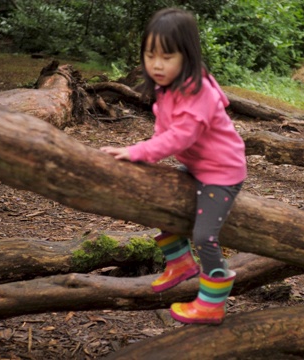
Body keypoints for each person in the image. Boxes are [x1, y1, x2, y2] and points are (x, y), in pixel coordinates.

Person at [100, 7, 246, 325]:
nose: (157, 64)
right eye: (150, 55)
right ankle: (180, 263)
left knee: (205, 235)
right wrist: (143, 151)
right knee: (163, 207)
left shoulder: (199, 93)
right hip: (196, 167)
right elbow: (163, 130)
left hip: (221, 172)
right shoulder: (168, 89)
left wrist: (139, 151)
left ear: (187, 55)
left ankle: (212, 302)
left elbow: (179, 137)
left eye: (167, 56)